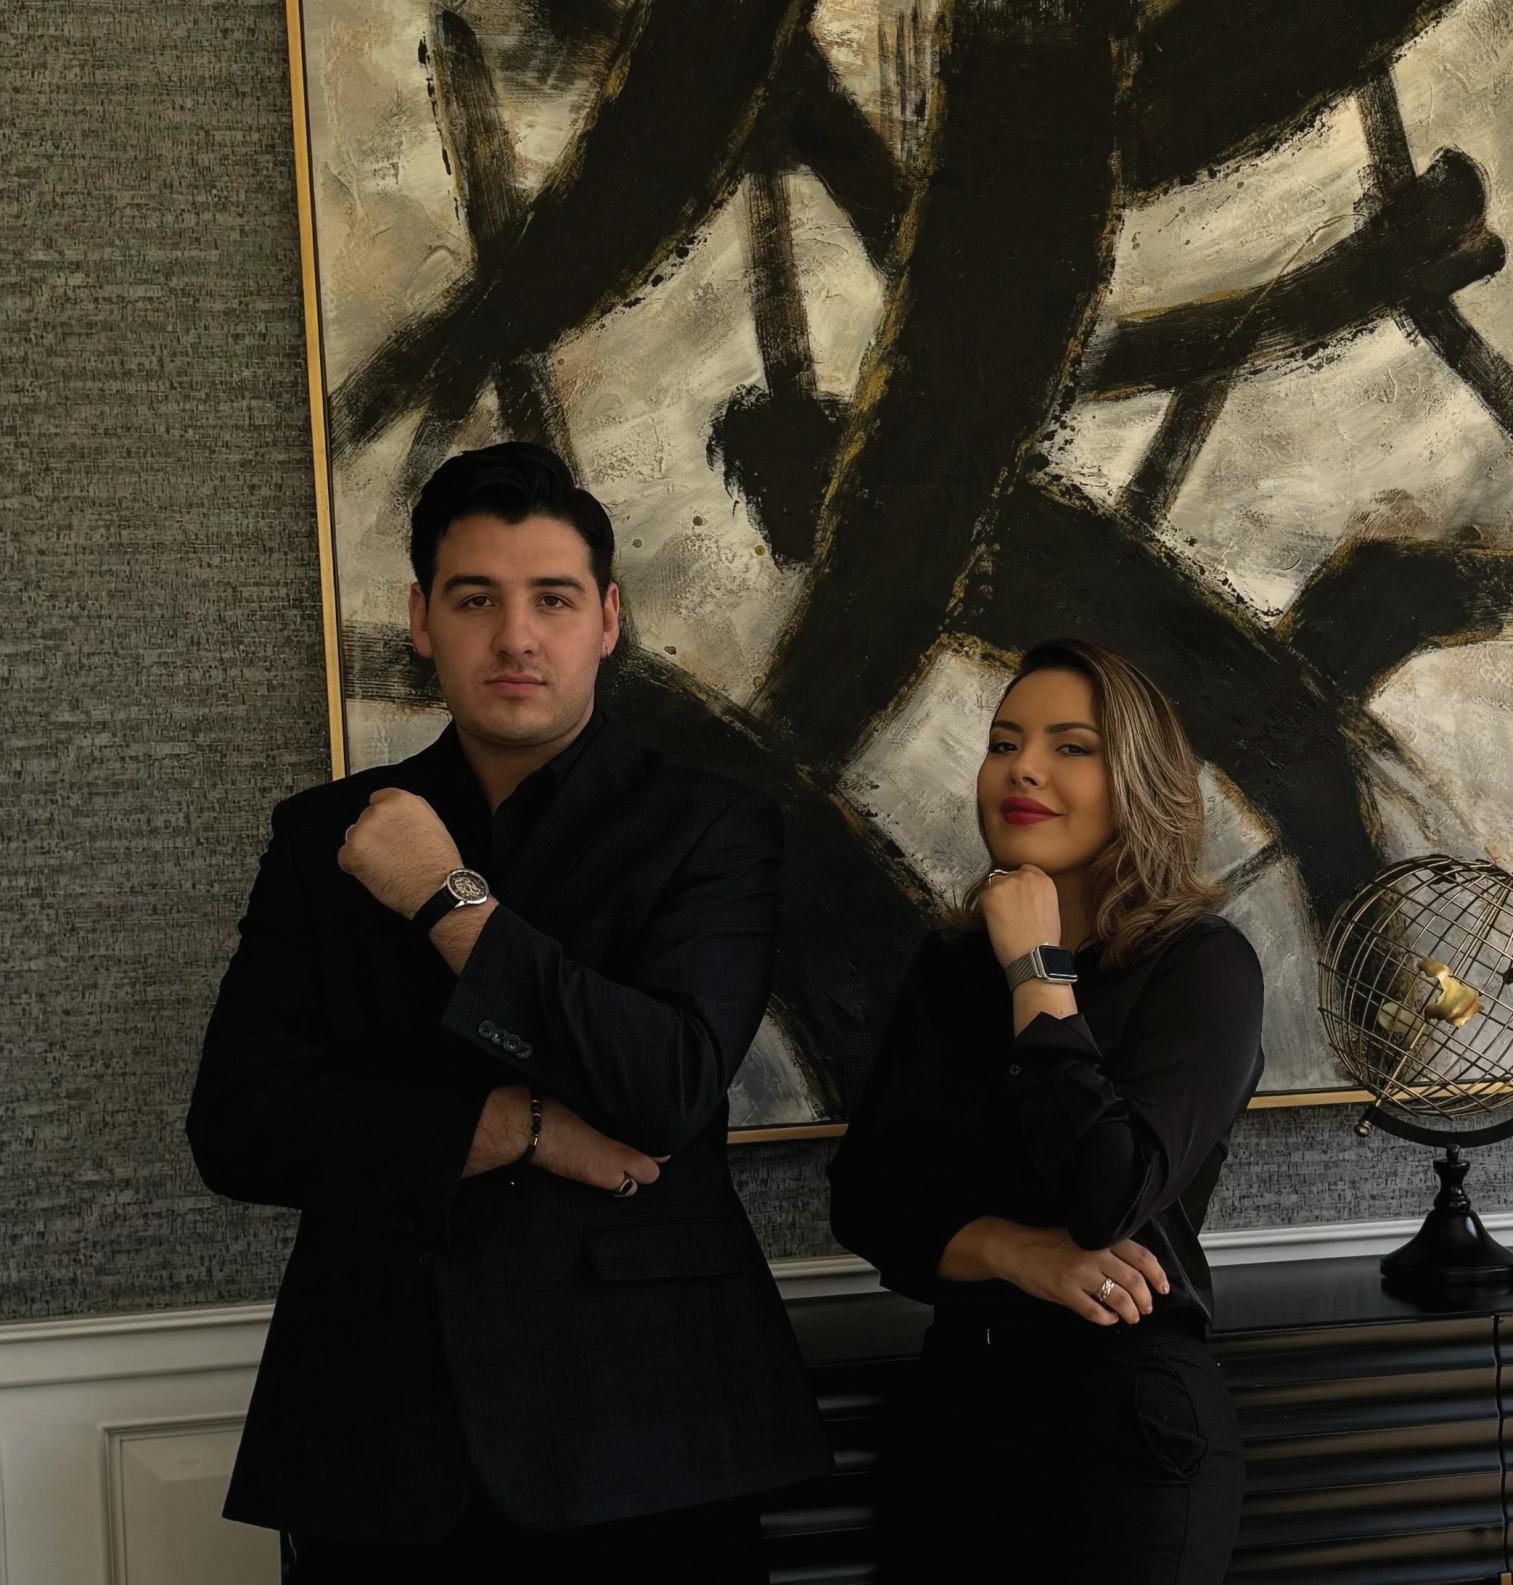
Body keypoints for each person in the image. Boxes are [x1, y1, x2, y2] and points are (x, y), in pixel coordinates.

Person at [187, 442, 831, 1582]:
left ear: (608, 620)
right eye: (476, 599)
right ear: (422, 619)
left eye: (553, 599)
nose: (516, 636)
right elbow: (237, 1125)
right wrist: (504, 1127)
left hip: (647, 1429)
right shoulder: (322, 834)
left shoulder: (713, 827)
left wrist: (446, 902)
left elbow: (667, 1085)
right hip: (381, 1434)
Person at [827, 638, 1265, 1584]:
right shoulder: (950, 965)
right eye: (1003, 742)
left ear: (1137, 782)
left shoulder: (1202, 964)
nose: (1022, 767)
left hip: (1127, 1431)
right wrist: (1010, 1250)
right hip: (953, 1419)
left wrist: (1036, 971)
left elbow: (1108, 1194)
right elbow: (863, 1199)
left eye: (1071, 746)